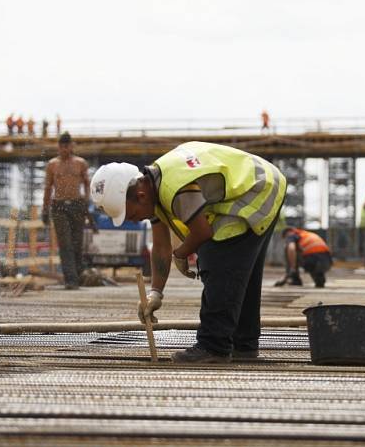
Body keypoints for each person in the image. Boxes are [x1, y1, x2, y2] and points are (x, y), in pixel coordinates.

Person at [91, 141, 286, 363]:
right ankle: (244, 345)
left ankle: (214, 346)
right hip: (263, 183)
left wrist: (181, 253)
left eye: (131, 214)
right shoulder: (154, 188)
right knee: (240, 272)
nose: (133, 220)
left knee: (217, 259)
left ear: (141, 195)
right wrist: (156, 293)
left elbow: (202, 232)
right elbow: (161, 247)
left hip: (257, 188)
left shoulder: (175, 188)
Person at [42, 132, 96, 289]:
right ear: (58, 147)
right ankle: (71, 280)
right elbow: (47, 188)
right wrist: (45, 209)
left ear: (72, 146)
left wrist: (86, 202)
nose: (65, 149)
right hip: (58, 206)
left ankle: (79, 276)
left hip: (77, 205)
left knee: (77, 243)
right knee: (65, 243)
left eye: (67, 146)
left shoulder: (80, 163)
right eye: (62, 146)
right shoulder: (52, 165)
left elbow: (87, 184)